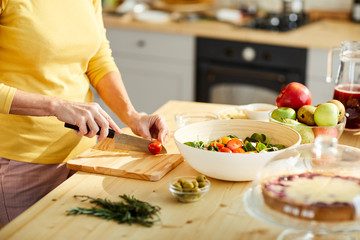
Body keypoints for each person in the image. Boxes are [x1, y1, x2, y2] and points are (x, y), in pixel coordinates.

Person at [0, 0, 170, 226]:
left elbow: (98, 60)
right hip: (23, 160)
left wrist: (132, 116)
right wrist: (57, 106)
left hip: (86, 155)